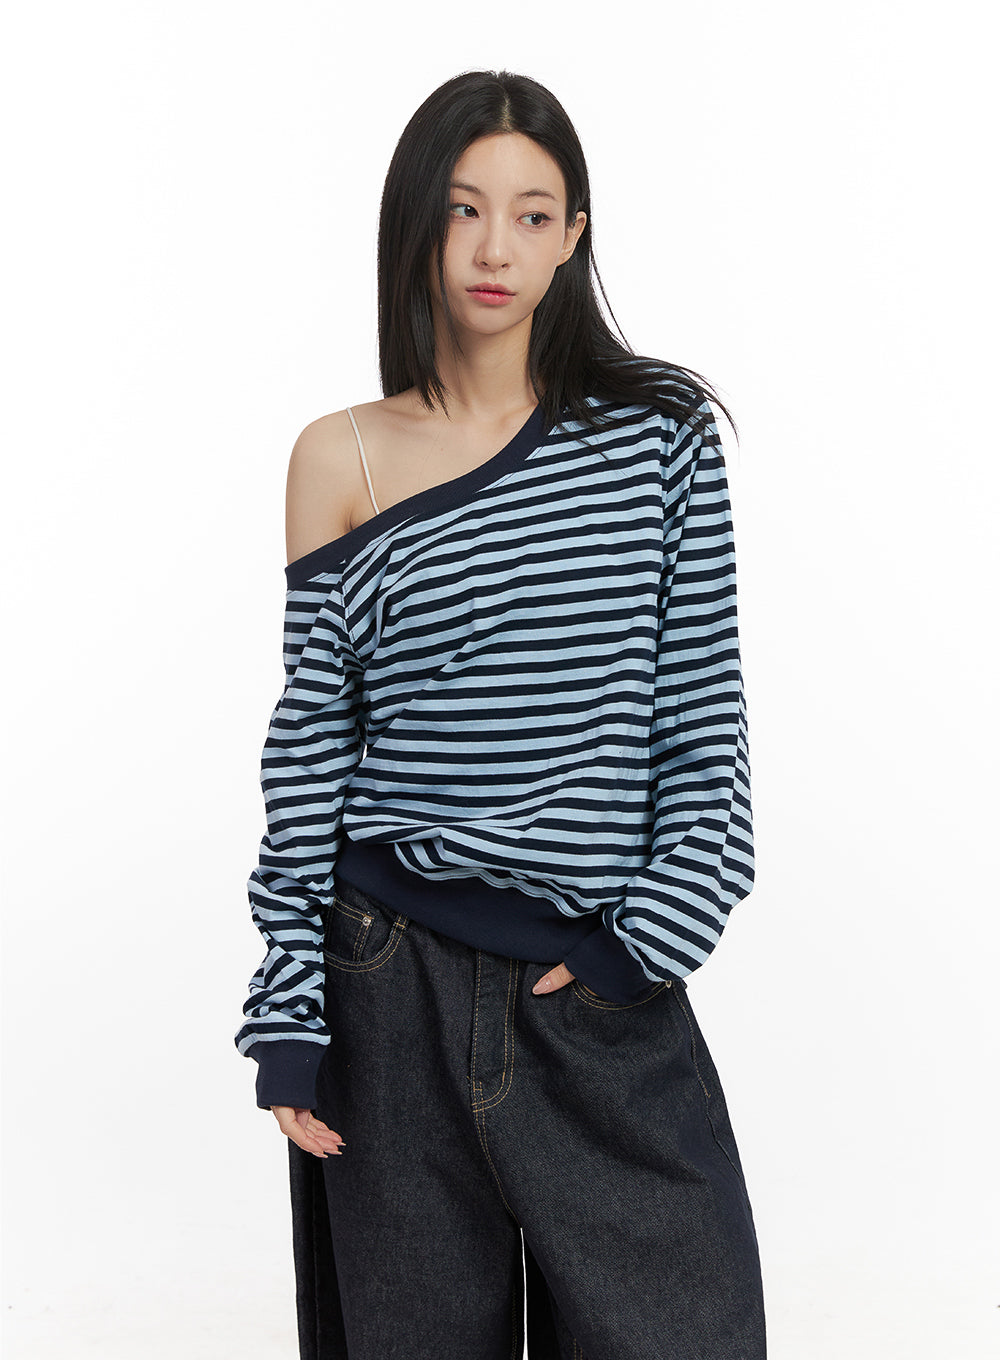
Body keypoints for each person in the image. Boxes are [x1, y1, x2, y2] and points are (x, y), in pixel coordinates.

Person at [235, 68, 766, 1360]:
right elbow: (309, 756)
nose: (494, 249)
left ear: (573, 236)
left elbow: (705, 732)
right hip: (386, 984)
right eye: (465, 209)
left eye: (533, 216)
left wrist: (641, 948)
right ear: (418, 220)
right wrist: (290, 1010)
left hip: (598, 985)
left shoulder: (660, 440)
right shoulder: (340, 457)